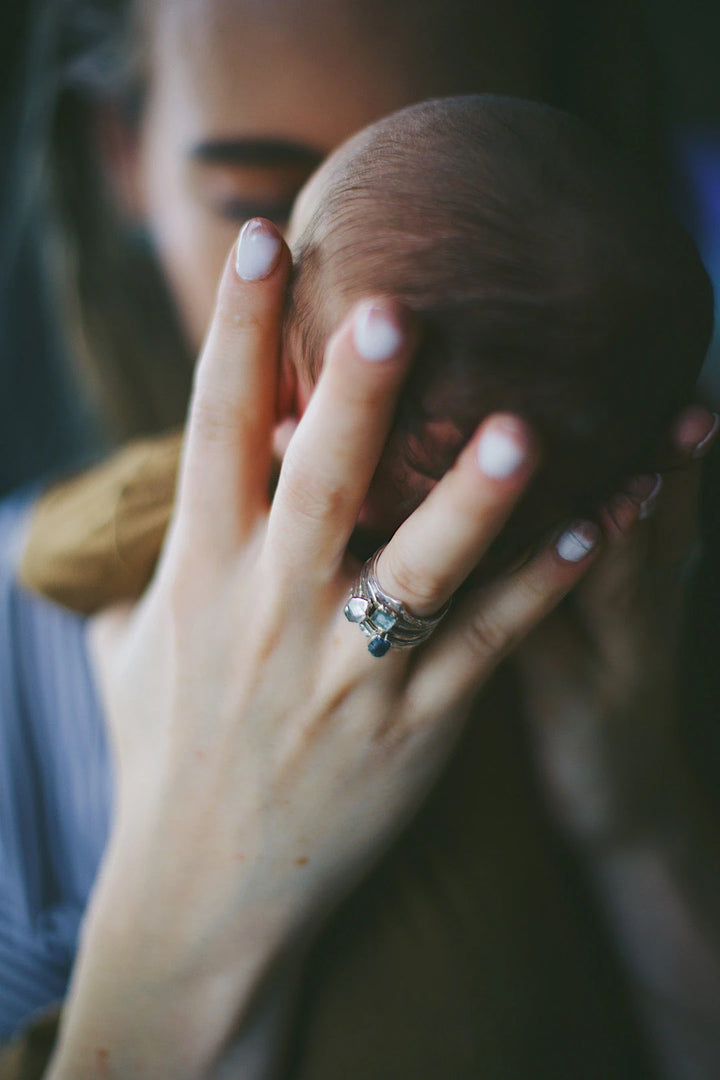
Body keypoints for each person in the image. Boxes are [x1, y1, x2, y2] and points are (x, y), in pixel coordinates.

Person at [1, 2, 719, 1079]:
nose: (364, 340)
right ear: (122, 155)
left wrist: (638, 816)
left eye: (457, 250)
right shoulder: (22, 636)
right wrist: (170, 920)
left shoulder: (655, 568)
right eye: (257, 206)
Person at [18, 94, 713, 618]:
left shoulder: (226, 485)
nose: (255, 306)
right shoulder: (595, 578)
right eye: (260, 204)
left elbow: (47, 557)